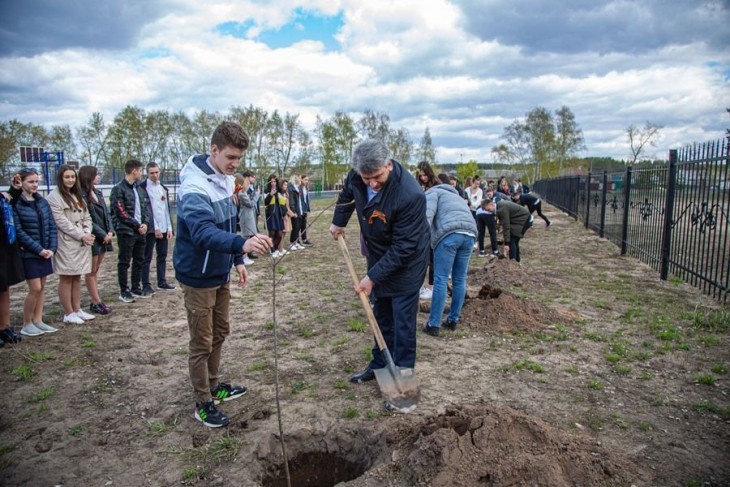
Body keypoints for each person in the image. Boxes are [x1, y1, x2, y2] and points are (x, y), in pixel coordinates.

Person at [173, 121, 272, 428]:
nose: (235, 165)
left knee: (220, 332)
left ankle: (214, 385)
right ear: (214, 150)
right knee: (201, 341)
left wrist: (238, 259)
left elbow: (228, 223)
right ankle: (203, 402)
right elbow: (203, 233)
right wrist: (243, 243)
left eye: (239, 159)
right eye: (230, 158)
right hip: (197, 276)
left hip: (220, 272)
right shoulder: (194, 187)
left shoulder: (225, 178)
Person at [330, 140, 429, 393]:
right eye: (366, 178)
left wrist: (372, 277)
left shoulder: (410, 195)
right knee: (380, 314)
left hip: (406, 263)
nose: (372, 184)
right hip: (379, 254)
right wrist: (338, 221)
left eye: (377, 177)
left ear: (389, 164)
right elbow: (347, 194)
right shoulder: (359, 173)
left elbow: (404, 247)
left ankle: (404, 385)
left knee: (402, 324)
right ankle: (379, 367)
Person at [422, 173, 477, 336]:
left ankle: (434, 324)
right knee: (460, 278)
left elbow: (426, 216)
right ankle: (453, 320)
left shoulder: (433, 193)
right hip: (469, 234)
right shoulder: (457, 196)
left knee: (440, 279)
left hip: (449, 235)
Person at [46, 164, 96, 324]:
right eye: (67, 177)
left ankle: (77, 308)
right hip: (66, 242)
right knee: (67, 277)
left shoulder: (77, 195)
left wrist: (87, 232)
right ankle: (68, 312)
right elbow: (61, 222)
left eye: (72, 177)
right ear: (61, 179)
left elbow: (87, 216)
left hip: (82, 242)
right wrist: (82, 235)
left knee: (77, 276)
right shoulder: (54, 197)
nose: (70, 180)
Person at [13, 167, 58, 336]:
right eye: (30, 181)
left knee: (42, 287)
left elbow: (51, 226)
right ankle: (27, 323)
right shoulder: (17, 204)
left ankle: (38, 320)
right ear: (21, 182)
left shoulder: (41, 201)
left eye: (36, 181)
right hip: (30, 252)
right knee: (35, 288)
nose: (34, 185)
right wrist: (38, 249)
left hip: (46, 251)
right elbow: (19, 231)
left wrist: (52, 248)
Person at [110, 159, 151, 303]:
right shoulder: (118, 189)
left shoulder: (139, 189)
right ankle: (124, 290)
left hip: (140, 232)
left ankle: (136, 287)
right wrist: (136, 225)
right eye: (140, 170)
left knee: (139, 260)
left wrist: (145, 223)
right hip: (127, 231)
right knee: (125, 261)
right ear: (134, 171)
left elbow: (145, 209)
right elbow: (120, 211)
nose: (141, 173)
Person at [79, 166, 114, 315]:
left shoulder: (98, 193)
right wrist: (102, 234)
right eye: (95, 174)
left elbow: (106, 214)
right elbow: (89, 219)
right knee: (91, 271)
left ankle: (97, 300)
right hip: (94, 237)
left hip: (105, 237)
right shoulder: (83, 195)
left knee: (96, 270)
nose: (98, 177)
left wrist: (111, 231)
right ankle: (96, 301)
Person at [141, 162, 176, 292]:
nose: (155, 175)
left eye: (156, 172)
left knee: (162, 255)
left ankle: (162, 281)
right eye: (152, 173)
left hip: (164, 227)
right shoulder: (143, 188)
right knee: (147, 256)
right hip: (150, 229)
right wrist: (154, 227)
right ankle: (145, 283)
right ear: (147, 173)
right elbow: (147, 211)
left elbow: (166, 209)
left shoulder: (163, 188)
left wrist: (169, 228)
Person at [0, 176, 24, 345]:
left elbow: (6, 208)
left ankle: (4, 326)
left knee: (3, 288)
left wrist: (14, 191)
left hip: (3, 250)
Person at [416, 160, 440, 301]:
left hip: (432, 226)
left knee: (432, 259)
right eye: (420, 175)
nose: (423, 178)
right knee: (420, 258)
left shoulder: (436, 187)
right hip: (421, 225)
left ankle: (431, 288)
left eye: (425, 175)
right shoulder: (418, 187)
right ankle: (419, 286)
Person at [485, 197, 533, 263]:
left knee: (512, 239)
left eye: (488, 209)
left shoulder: (501, 209)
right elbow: (502, 222)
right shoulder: (499, 206)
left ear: (491, 204)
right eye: (487, 211)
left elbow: (506, 226)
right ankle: (517, 262)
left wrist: (506, 244)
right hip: (520, 219)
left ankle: (513, 263)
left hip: (524, 219)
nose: (488, 211)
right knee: (514, 240)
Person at [234, 172, 256, 266]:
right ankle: (243, 257)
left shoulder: (243, 192)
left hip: (248, 216)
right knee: (245, 237)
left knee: (247, 236)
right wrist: (256, 196)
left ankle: (245, 256)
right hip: (245, 217)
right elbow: (250, 204)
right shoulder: (241, 193)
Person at [264, 175, 286, 258]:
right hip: (271, 214)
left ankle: (276, 248)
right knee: (272, 232)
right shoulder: (266, 191)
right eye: (271, 182)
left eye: (274, 181)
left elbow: (283, 202)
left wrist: (284, 212)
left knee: (280, 233)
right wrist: (270, 194)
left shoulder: (279, 191)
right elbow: (265, 202)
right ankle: (272, 249)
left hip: (279, 213)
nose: (273, 183)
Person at [287, 175, 305, 251]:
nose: (300, 179)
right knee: (295, 227)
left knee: (298, 227)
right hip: (295, 211)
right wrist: (293, 212)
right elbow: (291, 202)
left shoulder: (297, 188)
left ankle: (296, 242)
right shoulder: (291, 189)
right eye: (299, 178)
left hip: (299, 210)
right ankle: (292, 243)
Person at [299, 174, 312, 246]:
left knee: (304, 225)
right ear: (301, 179)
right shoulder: (299, 188)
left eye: (307, 180)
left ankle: (304, 239)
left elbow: (306, 200)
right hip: (300, 210)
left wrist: (307, 209)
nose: (307, 181)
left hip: (304, 210)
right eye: (305, 180)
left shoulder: (305, 188)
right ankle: (297, 241)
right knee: (298, 226)